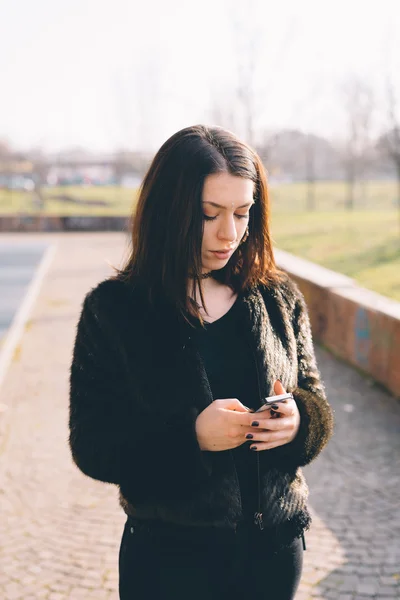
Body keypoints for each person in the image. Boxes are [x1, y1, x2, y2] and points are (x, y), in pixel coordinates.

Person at [68, 124, 334, 600]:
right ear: (168, 211)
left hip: (274, 554)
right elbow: (93, 446)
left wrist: (299, 422)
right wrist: (191, 439)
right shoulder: (115, 310)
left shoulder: (277, 297)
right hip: (168, 561)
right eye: (209, 214)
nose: (229, 233)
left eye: (242, 212)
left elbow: (315, 402)